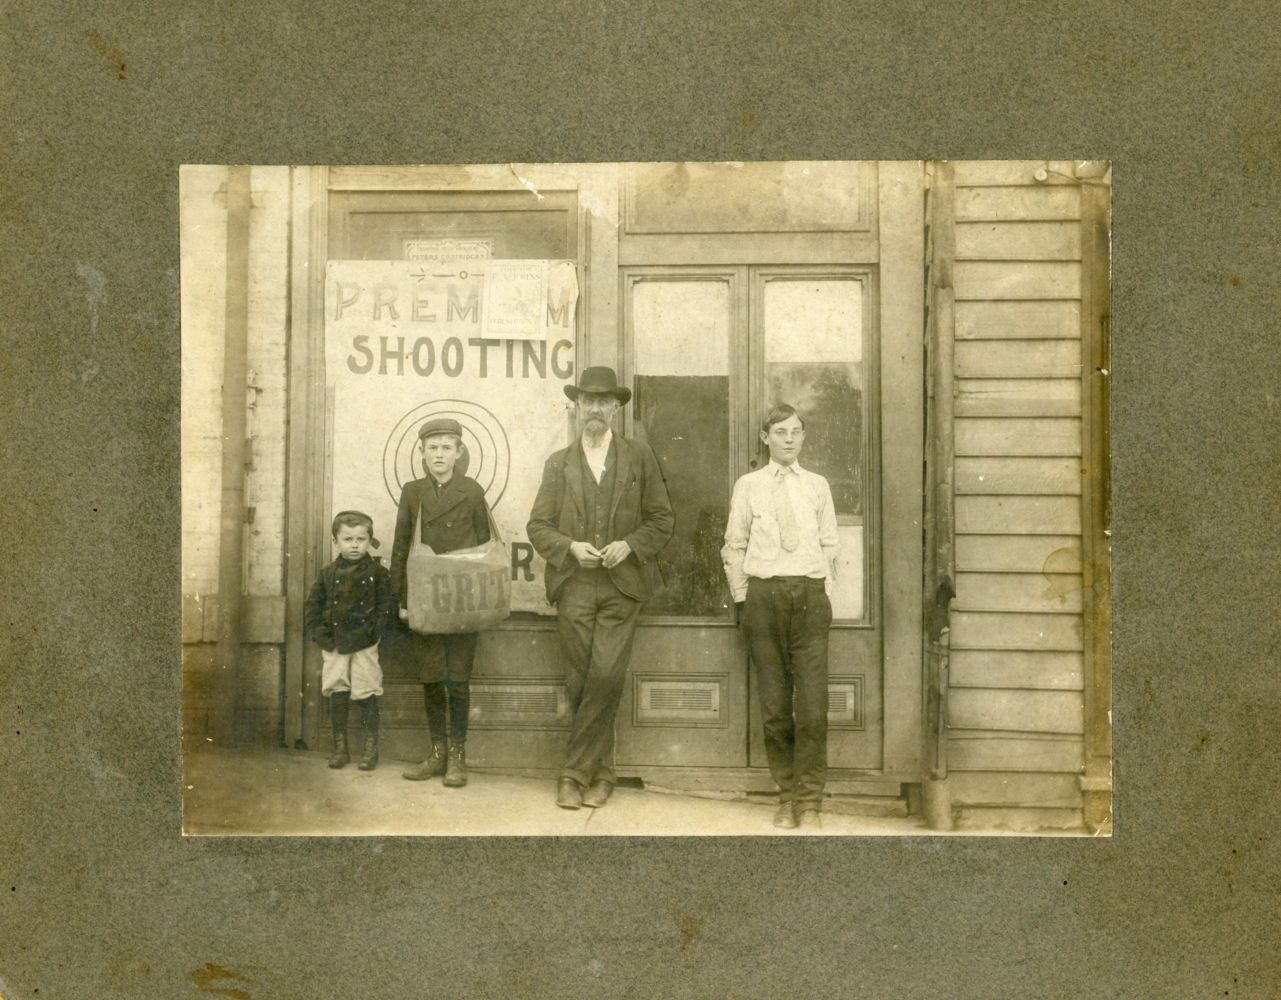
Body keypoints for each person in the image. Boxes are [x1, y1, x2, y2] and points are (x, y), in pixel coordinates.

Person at [527, 367, 674, 810]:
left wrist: (629, 546)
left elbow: (662, 520)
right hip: (573, 586)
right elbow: (538, 525)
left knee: (606, 675)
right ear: (577, 407)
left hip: (620, 587)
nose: (594, 408)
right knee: (581, 679)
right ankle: (602, 775)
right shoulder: (559, 463)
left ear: (616, 408)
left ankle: (572, 774)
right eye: (587, 401)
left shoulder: (639, 456)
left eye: (603, 401)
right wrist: (569, 547)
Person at [722, 404, 839, 830]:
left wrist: (822, 594)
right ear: (764, 437)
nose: (790, 439)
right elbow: (734, 545)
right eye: (781, 432)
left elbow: (830, 544)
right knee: (774, 707)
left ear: (803, 438)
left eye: (797, 432)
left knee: (811, 708)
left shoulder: (817, 486)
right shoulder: (749, 486)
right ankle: (787, 797)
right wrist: (742, 599)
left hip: (808, 598)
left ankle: (810, 802)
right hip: (764, 597)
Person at [391, 417, 493, 788]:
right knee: (432, 678)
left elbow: (486, 547)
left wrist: (481, 597)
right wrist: (402, 600)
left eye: (446, 447)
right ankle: (436, 754)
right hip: (425, 596)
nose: (439, 454)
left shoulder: (472, 490)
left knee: (458, 681)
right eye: (432, 448)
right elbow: (401, 546)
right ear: (421, 453)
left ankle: (457, 757)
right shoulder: (412, 492)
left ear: (459, 452)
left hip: (462, 599)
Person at [304, 510, 397, 771]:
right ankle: (340, 747)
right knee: (338, 687)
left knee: (366, 688)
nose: (354, 545)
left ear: (370, 541)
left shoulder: (378, 573)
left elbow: (386, 605)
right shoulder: (327, 574)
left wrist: (375, 631)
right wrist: (321, 635)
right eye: (348, 539)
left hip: (365, 642)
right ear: (336, 541)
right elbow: (313, 606)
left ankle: (370, 747)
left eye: (360, 539)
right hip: (334, 642)